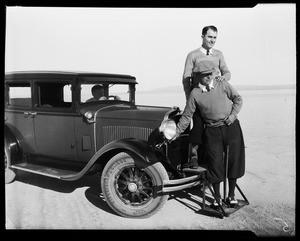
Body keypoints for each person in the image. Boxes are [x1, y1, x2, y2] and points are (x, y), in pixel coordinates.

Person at [174, 60, 245, 208]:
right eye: (205, 75)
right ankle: (217, 197)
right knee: (215, 163)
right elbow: (187, 116)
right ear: (197, 76)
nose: (208, 77)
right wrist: (176, 132)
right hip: (212, 131)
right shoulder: (194, 94)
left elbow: (238, 99)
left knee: (234, 160)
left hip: (231, 127)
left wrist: (232, 116)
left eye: (210, 74)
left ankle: (231, 196)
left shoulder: (222, 84)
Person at [182, 25, 231, 169]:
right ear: (202, 36)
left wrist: (224, 78)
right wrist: (189, 98)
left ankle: (213, 158)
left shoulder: (219, 54)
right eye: (209, 37)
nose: (212, 40)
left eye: (215, 37)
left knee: (213, 129)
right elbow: (186, 78)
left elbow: (227, 72)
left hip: (215, 99)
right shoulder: (192, 55)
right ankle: (194, 157)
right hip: (198, 99)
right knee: (197, 127)